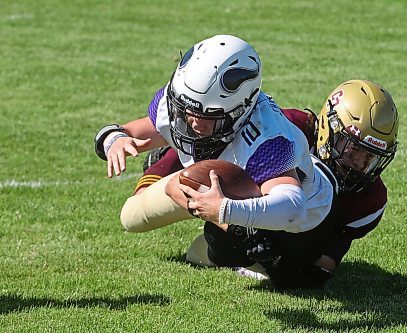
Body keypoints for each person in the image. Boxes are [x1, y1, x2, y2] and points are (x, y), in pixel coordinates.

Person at [94, 35, 334, 273]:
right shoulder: (185, 101)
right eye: (185, 110)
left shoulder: (265, 138)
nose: (192, 123)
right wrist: (114, 138)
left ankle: (217, 248)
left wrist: (223, 210)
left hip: (291, 216)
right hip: (216, 178)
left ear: (241, 110)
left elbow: (292, 208)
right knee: (131, 217)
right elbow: (137, 131)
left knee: (265, 262)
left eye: (207, 117)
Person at [138, 79, 399, 289]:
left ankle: (219, 252)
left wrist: (273, 261)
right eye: (351, 149)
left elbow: (317, 269)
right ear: (327, 129)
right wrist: (156, 173)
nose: (358, 163)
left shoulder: (369, 199)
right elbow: (209, 148)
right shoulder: (289, 129)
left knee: (233, 254)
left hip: (285, 226)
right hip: (235, 192)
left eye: (370, 158)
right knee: (216, 237)